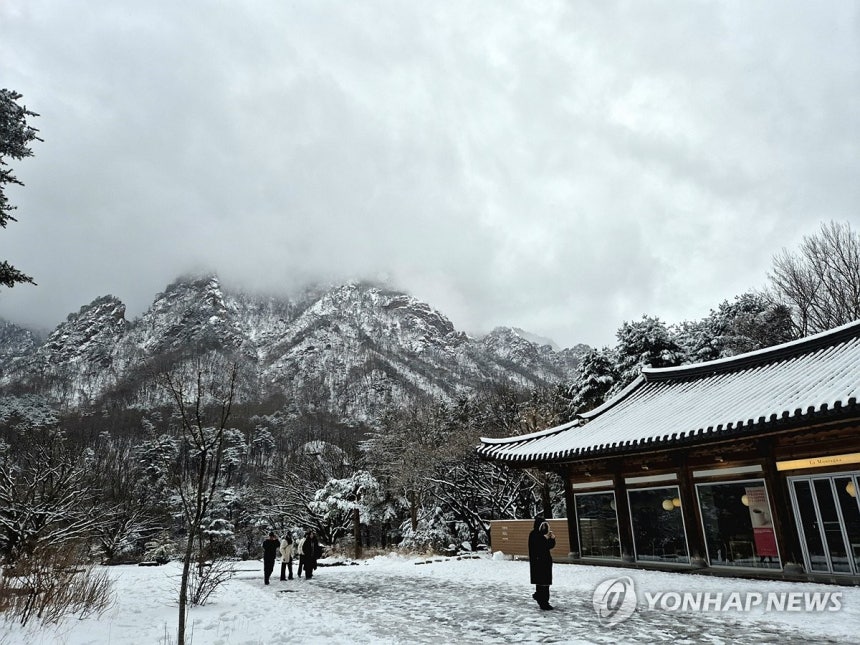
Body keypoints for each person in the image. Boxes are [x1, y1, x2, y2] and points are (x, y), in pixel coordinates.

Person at [528, 516, 556, 610]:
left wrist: (551, 539)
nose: (544, 527)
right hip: (538, 562)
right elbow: (540, 547)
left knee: (545, 583)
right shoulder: (534, 534)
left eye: (545, 525)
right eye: (542, 525)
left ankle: (541, 598)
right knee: (542, 583)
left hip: (545, 561)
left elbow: (549, 546)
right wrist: (545, 539)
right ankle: (543, 601)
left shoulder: (541, 535)